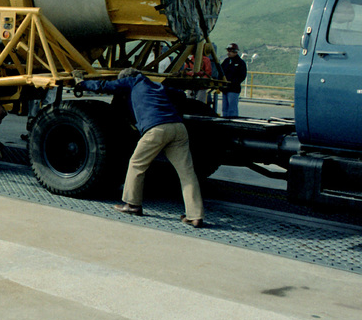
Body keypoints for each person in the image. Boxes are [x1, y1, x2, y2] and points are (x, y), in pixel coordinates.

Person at [75, 68, 205, 228]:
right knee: (186, 173)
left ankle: (132, 205)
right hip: (178, 127)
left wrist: (81, 83)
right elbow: (180, 95)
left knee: (137, 164)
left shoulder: (132, 81)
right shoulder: (156, 85)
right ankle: (195, 215)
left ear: (126, 78)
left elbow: (104, 85)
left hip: (156, 128)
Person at [219, 43, 247, 118]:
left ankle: (232, 122)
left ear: (235, 52)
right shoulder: (226, 61)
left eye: (230, 51)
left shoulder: (240, 63)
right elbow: (221, 72)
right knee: (224, 109)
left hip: (233, 89)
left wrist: (233, 82)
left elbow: (242, 76)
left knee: (232, 109)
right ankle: (224, 122)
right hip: (225, 88)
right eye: (228, 51)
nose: (228, 53)